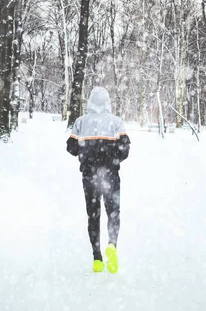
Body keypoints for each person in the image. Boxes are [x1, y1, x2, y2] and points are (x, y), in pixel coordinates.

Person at [66, 87, 131, 273]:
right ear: (108, 102)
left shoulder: (80, 122)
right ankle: (112, 245)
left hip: (89, 177)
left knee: (93, 216)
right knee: (113, 213)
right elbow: (125, 148)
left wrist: (85, 152)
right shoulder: (116, 122)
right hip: (111, 176)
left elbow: (71, 147)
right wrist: (112, 158)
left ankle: (96, 258)